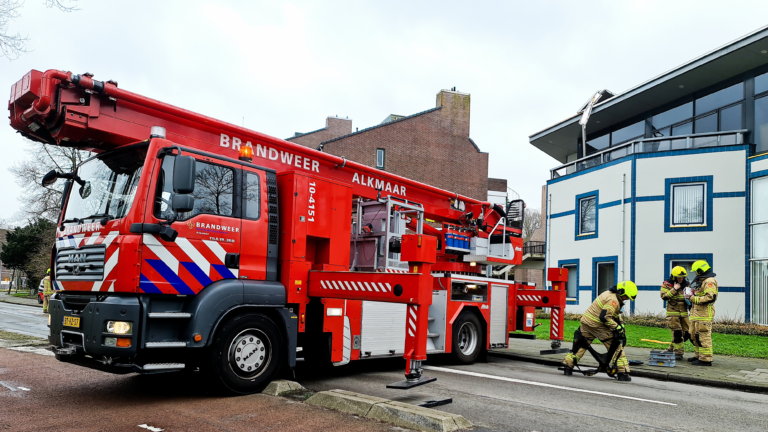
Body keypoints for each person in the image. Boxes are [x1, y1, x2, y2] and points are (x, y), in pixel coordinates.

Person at [563, 281, 638, 382]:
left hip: (586, 323)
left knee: (581, 345)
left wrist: (621, 323)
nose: (627, 299)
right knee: (617, 346)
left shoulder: (608, 294)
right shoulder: (613, 300)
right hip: (598, 326)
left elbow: (613, 313)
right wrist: (618, 328)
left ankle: (568, 366)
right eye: (626, 296)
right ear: (621, 292)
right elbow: (605, 317)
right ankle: (622, 372)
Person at [686, 260, 718, 366]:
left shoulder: (709, 281)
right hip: (696, 314)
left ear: (701, 270)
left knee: (703, 337)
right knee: (694, 336)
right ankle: (698, 355)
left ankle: (705, 359)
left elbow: (710, 297)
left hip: (704, 315)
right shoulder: (702, 281)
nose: (695, 273)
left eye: (696, 271)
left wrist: (694, 298)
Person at [660, 266, 691, 360]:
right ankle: (678, 353)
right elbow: (664, 296)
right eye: (678, 277)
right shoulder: (667, 284)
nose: (681, 279)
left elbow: (688, 298)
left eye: (682, 277)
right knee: (677, 333)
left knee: (687, 333)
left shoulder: (686, 284)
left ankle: (671, 349)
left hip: (684, 313)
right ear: (674, 277)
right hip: (672, 313)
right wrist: (674, 289)